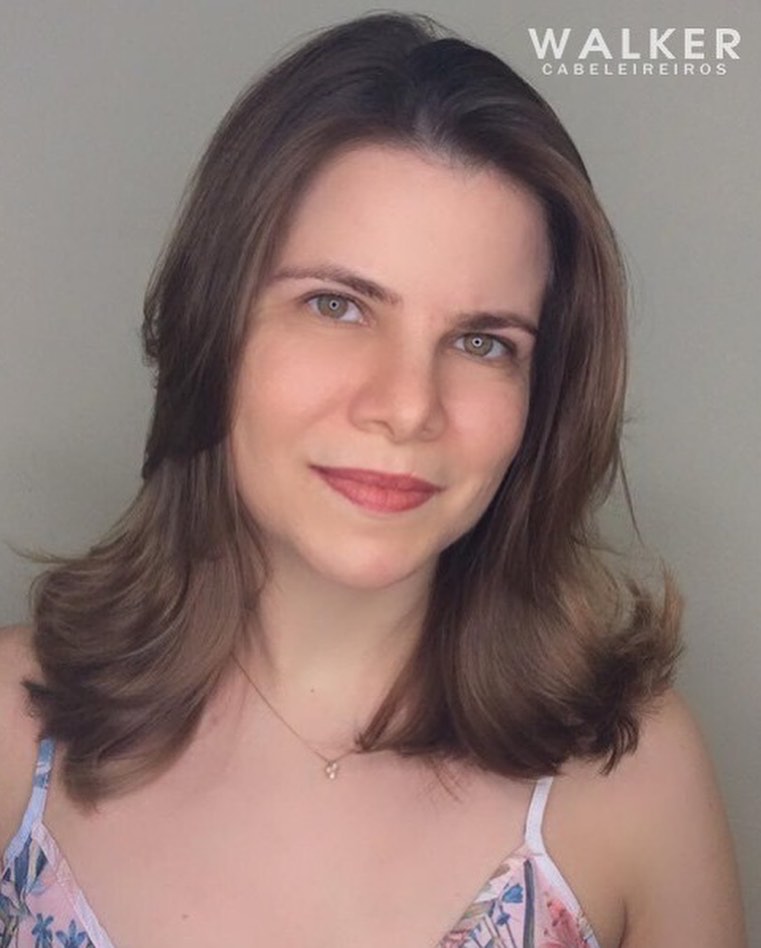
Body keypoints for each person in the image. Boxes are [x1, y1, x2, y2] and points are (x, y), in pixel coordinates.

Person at [0, 11, 746, 948]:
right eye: (337, 305)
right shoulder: (11, 729)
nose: (406, 406)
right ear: (212, 326)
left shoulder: (634, 776)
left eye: (482, 342)